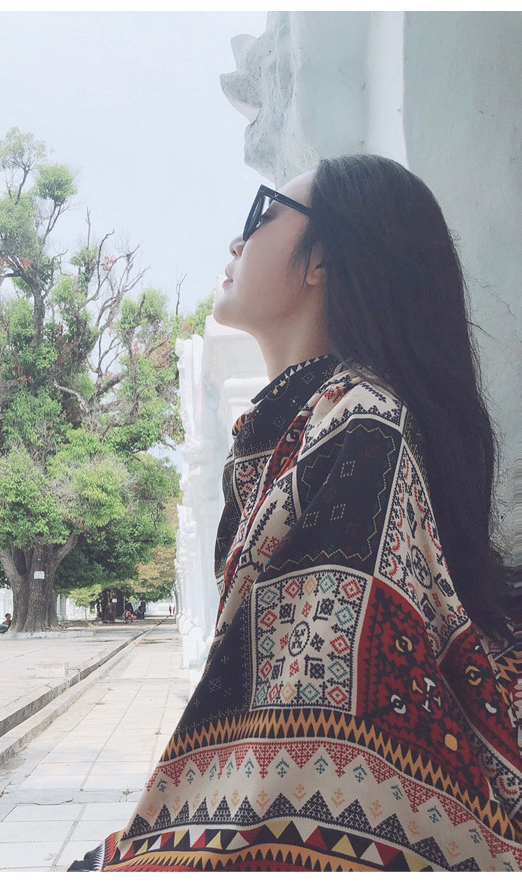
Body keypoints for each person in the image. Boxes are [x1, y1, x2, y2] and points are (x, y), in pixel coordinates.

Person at [68, 155, 522, 872]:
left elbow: (316, 745)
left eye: (263, 213)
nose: (236, 240)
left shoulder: (359, 425)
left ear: (321, 261)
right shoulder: (308, 425)